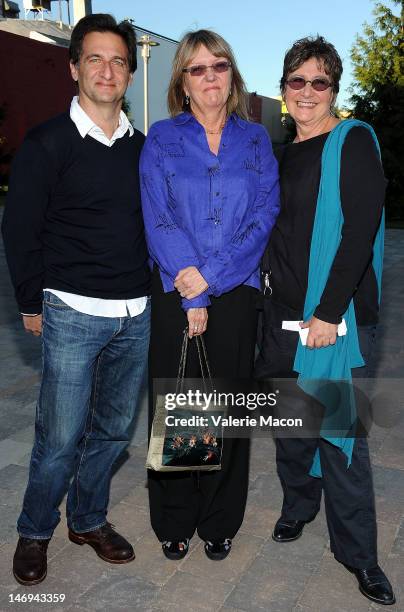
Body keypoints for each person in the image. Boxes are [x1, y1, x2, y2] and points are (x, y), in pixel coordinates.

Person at [2, 14, 151, 586]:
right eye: (95, 58)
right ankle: (35, 530)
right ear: (74, 68)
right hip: (70, 311)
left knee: (113, 433)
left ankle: (87, 520)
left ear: (129, 73)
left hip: (134, 315)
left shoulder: (144, 149)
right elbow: (20, 230)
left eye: (117, 60)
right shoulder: (47, 144)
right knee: (59, 439)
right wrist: (29, 302)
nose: (107, 70)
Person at [255, 36, 395, 605]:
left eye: (320, 82)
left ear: (333, 90)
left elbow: (359, 232)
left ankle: (360, 556)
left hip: (326, 323)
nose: (307, 91)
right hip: (277, 314)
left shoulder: (353, 141)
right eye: (297, 81)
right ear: (284, 91)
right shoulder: (277, 152)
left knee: (339, 439)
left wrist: (329, 312)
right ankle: (297, 507)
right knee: (290, 427)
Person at [140, 29, 279, 561]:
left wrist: (212, 280)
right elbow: (158, 216)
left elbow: (264, 215)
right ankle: (175, 515)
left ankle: (220, 517)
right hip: (176, 291)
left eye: (218, 65)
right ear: (182, 80)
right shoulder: (162, 139)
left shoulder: (256, 140)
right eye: (197, 68)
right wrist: (192, 290)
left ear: (232, 75)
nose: (209, 76)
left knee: (225, 408)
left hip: (237, 291)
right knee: (181, 405)